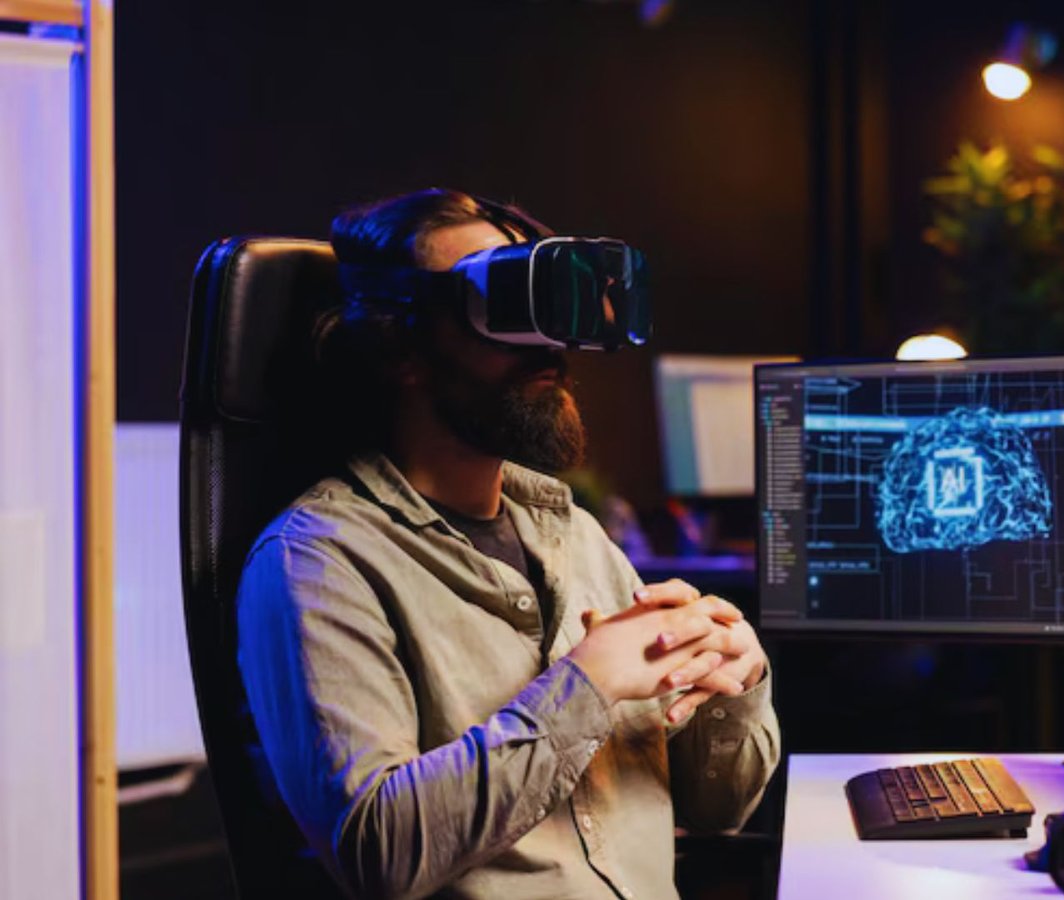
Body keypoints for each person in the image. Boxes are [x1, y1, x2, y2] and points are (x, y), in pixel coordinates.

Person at [236, 188, 779, 899]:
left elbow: (721, 811)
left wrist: (732, 687)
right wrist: (586, 686)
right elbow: (376, 855)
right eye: (503, 305)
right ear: (404, 349)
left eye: (547, 306)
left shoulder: (577, 537)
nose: (548, 344)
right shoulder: (319, 562)